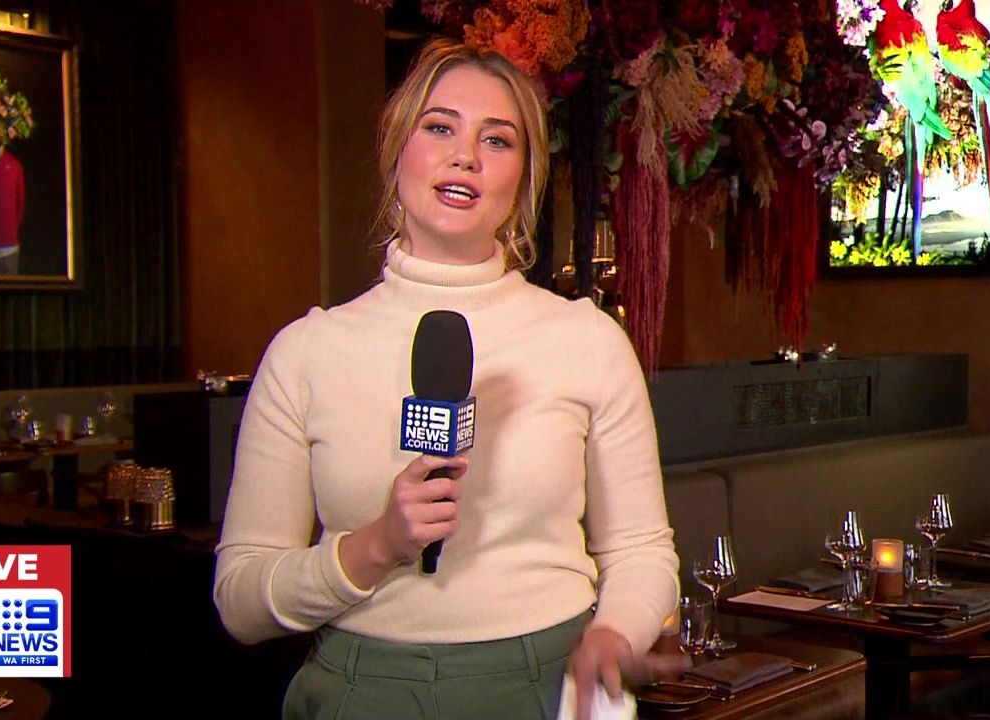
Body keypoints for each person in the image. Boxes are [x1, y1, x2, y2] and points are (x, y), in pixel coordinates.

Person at [213, 36, 679, 720]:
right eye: (439, 128)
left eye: (497, 140)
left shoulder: (588, 341)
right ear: (396, 149)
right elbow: (240, 600)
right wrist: (376, 546)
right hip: (363, 690)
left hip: (546, 684)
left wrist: (615, 634)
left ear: (524, 179)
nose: (465, 156)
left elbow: (641, 549)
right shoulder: (305, 353)